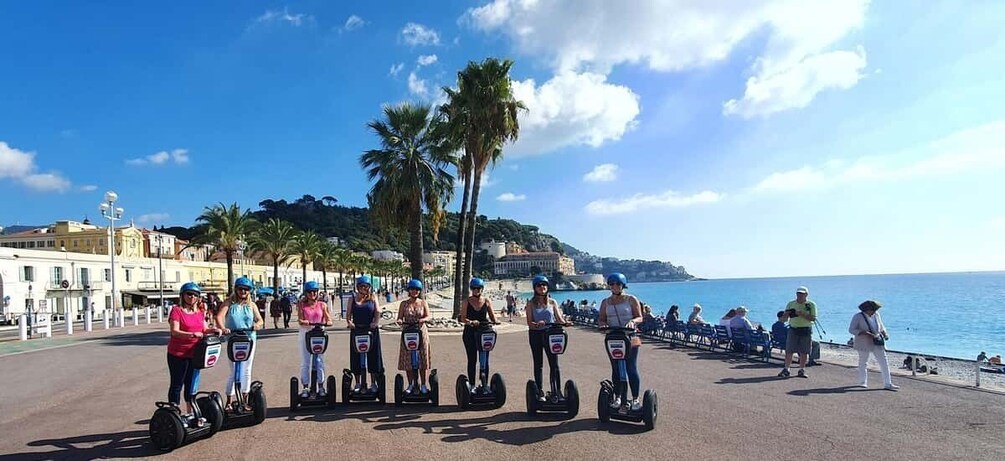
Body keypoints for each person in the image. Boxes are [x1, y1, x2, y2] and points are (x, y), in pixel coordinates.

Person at [166, 282, 219, 428]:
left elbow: (204, 329)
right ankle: (174, 414)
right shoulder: (177, 311)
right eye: (189, 294)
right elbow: (174, 331)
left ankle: (190, 413)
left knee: (191, 385)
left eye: (195, 295)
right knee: (177, 384)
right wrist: (191, 334)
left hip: (195, 354)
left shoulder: (199, 312)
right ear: (183, 295)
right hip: (178, 354)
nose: (192, 297)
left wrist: (215, 330)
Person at [214, 277, 264, 411]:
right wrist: (223, 328)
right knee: (234, 370)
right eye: (240, 289)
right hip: (233, 339)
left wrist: (257, 325)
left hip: (249, 339)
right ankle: (229, 401)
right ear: (236, 289)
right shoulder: (229, 303)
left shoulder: (252, 305)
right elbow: (219, 317)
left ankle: (244, 400)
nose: (243, 291)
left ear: (249, 291)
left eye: (246, 289)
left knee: (246, 370)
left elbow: (260, 320)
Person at [597, 272, 644, 411]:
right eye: (612, 284)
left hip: (631, 337)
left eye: (618, 284)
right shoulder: (605, 302)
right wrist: (602, 325)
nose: (615, 286)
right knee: (616, 368)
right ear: (609, 286)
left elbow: (640, 317)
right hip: (613, 337)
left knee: (631, 368)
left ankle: (635, 399)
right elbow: (601, 318)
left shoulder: (631, 299)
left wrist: (632, 321)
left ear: (623, 285)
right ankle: (618, 397)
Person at [525, 274, 569, 402]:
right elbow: (529, 322)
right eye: (539, 285)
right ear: (535, 288)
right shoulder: (531, 304)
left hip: (551, 334)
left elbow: (559, 319)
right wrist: (537, 324)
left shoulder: (552, 302)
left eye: (544, 285)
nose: (542, 287)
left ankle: (557, 391)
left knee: (554, 364)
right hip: (536, 335)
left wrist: (565, 323)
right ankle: (539, 392)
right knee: (538, 364)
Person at [459, 277, 499, 393]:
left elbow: (492, 316)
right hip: (470, 333)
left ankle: (485, 384)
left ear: (482, 289)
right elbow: (462, 318)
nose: (477, 290)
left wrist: (496, 320)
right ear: (471, 289)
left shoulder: (486, 301)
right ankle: (471, 385)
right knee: (472, 359)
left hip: (484, 332)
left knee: (484, 359)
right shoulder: (467, 301)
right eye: (474, 288)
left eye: (479, 288)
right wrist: (470, 322)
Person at [849, 300, 898, 390]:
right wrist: (863, 332)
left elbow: (881, 326)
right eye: (873, 309)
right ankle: (862, 382)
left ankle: (888, 383)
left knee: (884, 362)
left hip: (877, 341)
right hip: (863, 342)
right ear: (867, 309)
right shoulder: (858, 316)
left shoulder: (877, 315)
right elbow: (851, 329)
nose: (874, 311)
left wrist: (885, 333)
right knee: (863, 362)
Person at [346, 275, 384, 393]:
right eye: (362, 286)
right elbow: (348, 314)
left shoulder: (373, 297)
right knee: (356, 356)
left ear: (369, 287)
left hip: (371, 330)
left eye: (366, 286)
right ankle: (358, 383)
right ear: (358, 287)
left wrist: (375, 322)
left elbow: (377, 310)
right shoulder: (352, 298)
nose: (364, 288)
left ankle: (373, 383)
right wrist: (349, 322)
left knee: (373, 356)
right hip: (357, 329)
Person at [297, 281, 333, 398]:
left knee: (319, 361)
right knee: (305, 361)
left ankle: (321, 385)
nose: (312, 294)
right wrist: (305, 322)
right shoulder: (302, 305)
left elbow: (329, 319)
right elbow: (300, 320)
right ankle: (306, 387)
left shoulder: (322, 305)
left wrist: (327, 322)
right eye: (310, 292)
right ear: (306, 293)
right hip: (306, 333)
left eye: (314, 291)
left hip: (319, 333)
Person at [395, 278, 432, 394]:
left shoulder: (423, 303)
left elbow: (429, 316)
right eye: (412, 289)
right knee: (408, 359)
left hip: (421, 332)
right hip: (408, 333)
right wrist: (400, 321)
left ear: (419, 291)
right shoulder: (403, 304)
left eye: (417, 289)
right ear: (409, 290)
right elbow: (399, 317)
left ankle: (424, 384)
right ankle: (410, 384)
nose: (414, 291)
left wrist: (423, 319)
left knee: (422, 359)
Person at [778, 286, 817, 379]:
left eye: (802, 294)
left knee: (804, 351)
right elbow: (784, 319)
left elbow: (813, 318)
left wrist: (802, 314)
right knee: (789, 350)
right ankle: (786, 369)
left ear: (806, 295)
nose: (800, 295)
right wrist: (786, 315)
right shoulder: (791, 304)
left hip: (805, 329)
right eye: (798, 293)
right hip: (793, 328)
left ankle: (802, 369)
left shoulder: (811, 304)